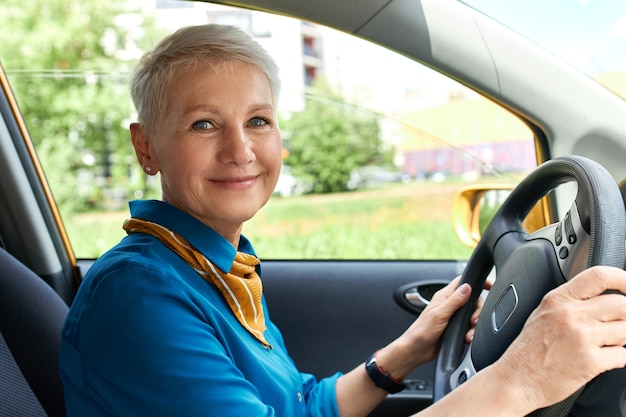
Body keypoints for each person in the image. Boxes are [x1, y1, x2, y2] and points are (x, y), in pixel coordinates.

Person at [59, 24, 626, 417]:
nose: (240, 149)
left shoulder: (212, 265)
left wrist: (408, 350)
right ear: (146, 147)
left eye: (258, 120)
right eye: (204, 125)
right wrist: (522, 376)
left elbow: (300, 407)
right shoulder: (138, 294)